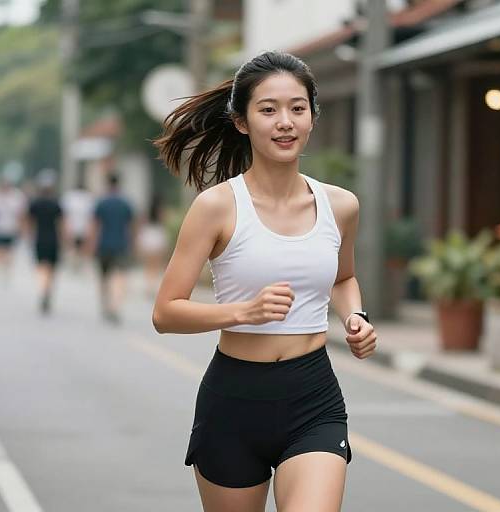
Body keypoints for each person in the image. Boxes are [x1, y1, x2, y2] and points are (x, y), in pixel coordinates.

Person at [152, 51, 378, 512]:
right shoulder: (217, 207)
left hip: (313, 395)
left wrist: (355, 315)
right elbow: (165, 312)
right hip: (233, 399)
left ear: (313, 117)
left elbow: (345, 277)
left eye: (297, 108)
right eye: (268, 109)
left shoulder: (340, 205)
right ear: (242, 121)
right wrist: (243, 312)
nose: (285, 122)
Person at [89, 173, 134, 324]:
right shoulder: (125, 203)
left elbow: (96, 226)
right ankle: (116, 305)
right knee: (119, 277)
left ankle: (106, 305)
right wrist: (132, 243)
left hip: (103, 245)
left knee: (104, 277)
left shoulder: (101, 202)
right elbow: (131, 226)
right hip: (121, 245)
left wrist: (91, 245)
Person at [28, 169, 62, 313]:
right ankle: (47, 291)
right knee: (51, 269)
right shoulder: (56, 204)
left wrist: (29, 234)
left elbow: (29, 222)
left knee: (41, 267)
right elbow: (62, 224)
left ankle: (43, 290)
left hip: (40, 238)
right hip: (53, 239)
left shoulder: (35, 203)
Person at [136, 195, 169, 298]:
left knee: (148, 264)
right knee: (157, 264)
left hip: (148, 234)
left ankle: (149, 286)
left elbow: (141, 222)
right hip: (158, 234)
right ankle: (154, 285)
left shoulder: (146, 211)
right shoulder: (161, 210)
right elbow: (164, 221)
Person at [0, 172, 27, 280]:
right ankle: (2, 267)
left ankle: (7, 268)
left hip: (12, 228)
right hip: (0, 228)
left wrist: (22, 229)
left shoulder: (17, 196)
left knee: (10, 250)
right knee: (1, 250)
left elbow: (21, 214)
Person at [61, 180, 94, 270]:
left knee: (74, 247)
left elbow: (65, 216)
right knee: (79, 248)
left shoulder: (69, 197)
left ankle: (75, 264)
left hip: (73, 227)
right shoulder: (88, 198)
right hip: (82, 227)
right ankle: (77, 265)